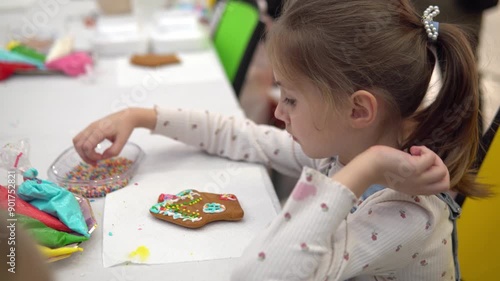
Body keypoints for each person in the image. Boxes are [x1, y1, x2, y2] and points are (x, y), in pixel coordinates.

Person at [73, 0, 488, 280]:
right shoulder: (344, 148)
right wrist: (142, 116)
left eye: (290, 97)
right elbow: (242, 136)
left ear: (358, 110)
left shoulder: (407, 215)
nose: (277, 111)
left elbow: (264, 274)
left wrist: (365, 170)